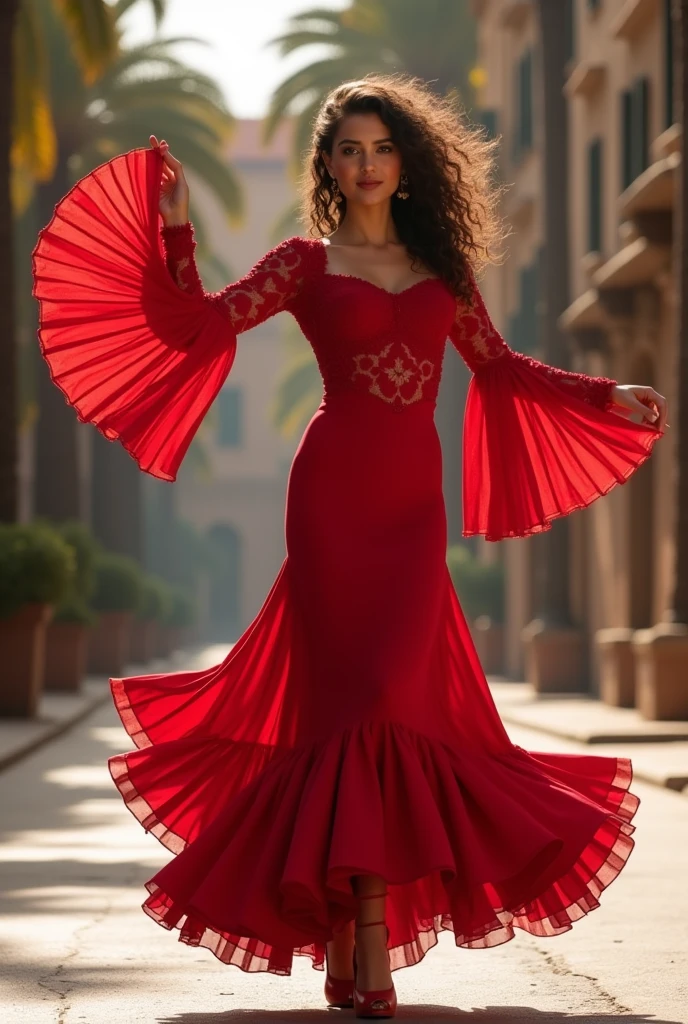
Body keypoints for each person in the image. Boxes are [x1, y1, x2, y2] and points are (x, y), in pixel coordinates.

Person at [33, 75, 666, 1020]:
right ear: (328, 166)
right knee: (352, 709)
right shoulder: (302, 264)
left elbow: (499, 366)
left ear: (405, 163)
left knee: (394, 702)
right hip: (329, 501)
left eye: (380, 148)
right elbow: (207, 321)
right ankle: (370, 954)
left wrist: (599, 396)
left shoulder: (443, 273)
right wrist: (174, 231)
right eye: (348, 150)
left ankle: (343, 936)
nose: (366, 164)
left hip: (413, 510)